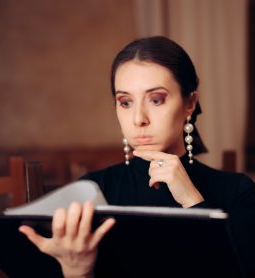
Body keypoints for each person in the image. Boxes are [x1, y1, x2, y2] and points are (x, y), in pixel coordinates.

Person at [19, 36, 255, 277]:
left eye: (156, 100)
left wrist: (192, 201)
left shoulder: (238, 192)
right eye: (125, 102)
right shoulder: (90, 193)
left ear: (190, 103)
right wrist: (76, 272)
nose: (138, 119)